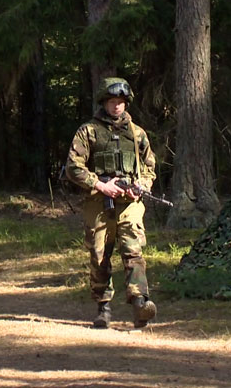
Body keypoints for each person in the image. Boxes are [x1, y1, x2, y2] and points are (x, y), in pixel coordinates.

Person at [66, 77, 158, 328]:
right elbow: (73, 167)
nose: (116, 107)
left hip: (130, 203)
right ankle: (103, 307)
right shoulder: (88, 132)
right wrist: (100, 184)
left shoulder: (137, 134)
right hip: (99, 201)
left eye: (120, 102)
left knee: (133, 250)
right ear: (103, 103)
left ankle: (140, 302)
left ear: (126, 104)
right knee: (99, 254)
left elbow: (150, 167)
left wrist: (143, 186)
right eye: (112, 102)